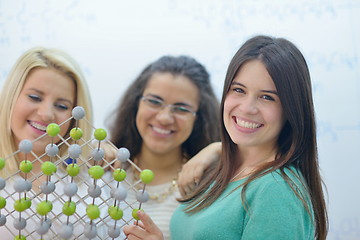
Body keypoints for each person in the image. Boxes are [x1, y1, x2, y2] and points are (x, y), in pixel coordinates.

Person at [123, 35, 329, 240]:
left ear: (291, 109)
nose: (247, 108)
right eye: (238, 90)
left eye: (267, 97)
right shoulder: (225, 171)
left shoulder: (276, 190)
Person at [105, 55, 220, 239]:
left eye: (181, 108)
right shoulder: (104, 168)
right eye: (154, 101)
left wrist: (219, 148)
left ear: (199, 117)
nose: (164, 118)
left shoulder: (209, 189)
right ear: (136, 104)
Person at [0, 47, 96, 239]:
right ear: (11, 98)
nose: (46, 114)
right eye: (34, 97)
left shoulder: (91, 182)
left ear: (74, 118)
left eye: (62, 106)